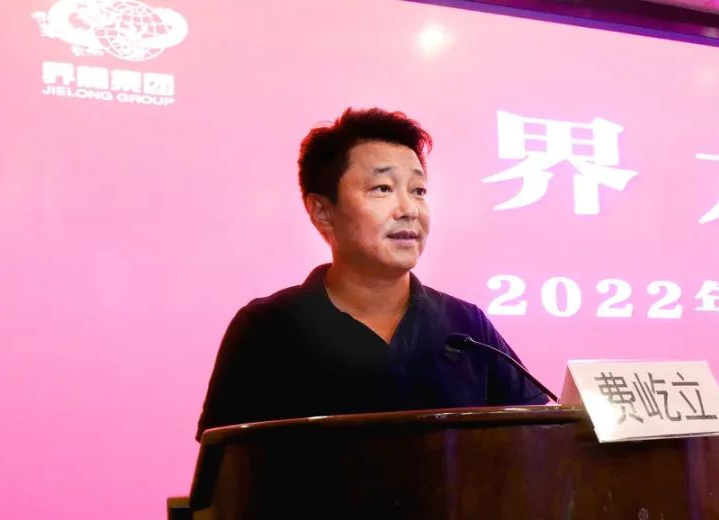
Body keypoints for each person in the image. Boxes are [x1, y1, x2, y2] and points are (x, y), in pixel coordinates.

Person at [196, 107, 547, 438]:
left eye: (418, 191)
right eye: (383, 189)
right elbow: (228, 468)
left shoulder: (466, 325)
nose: (409, 209)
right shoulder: (266, 328)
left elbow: (536, 442)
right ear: (322, 211)